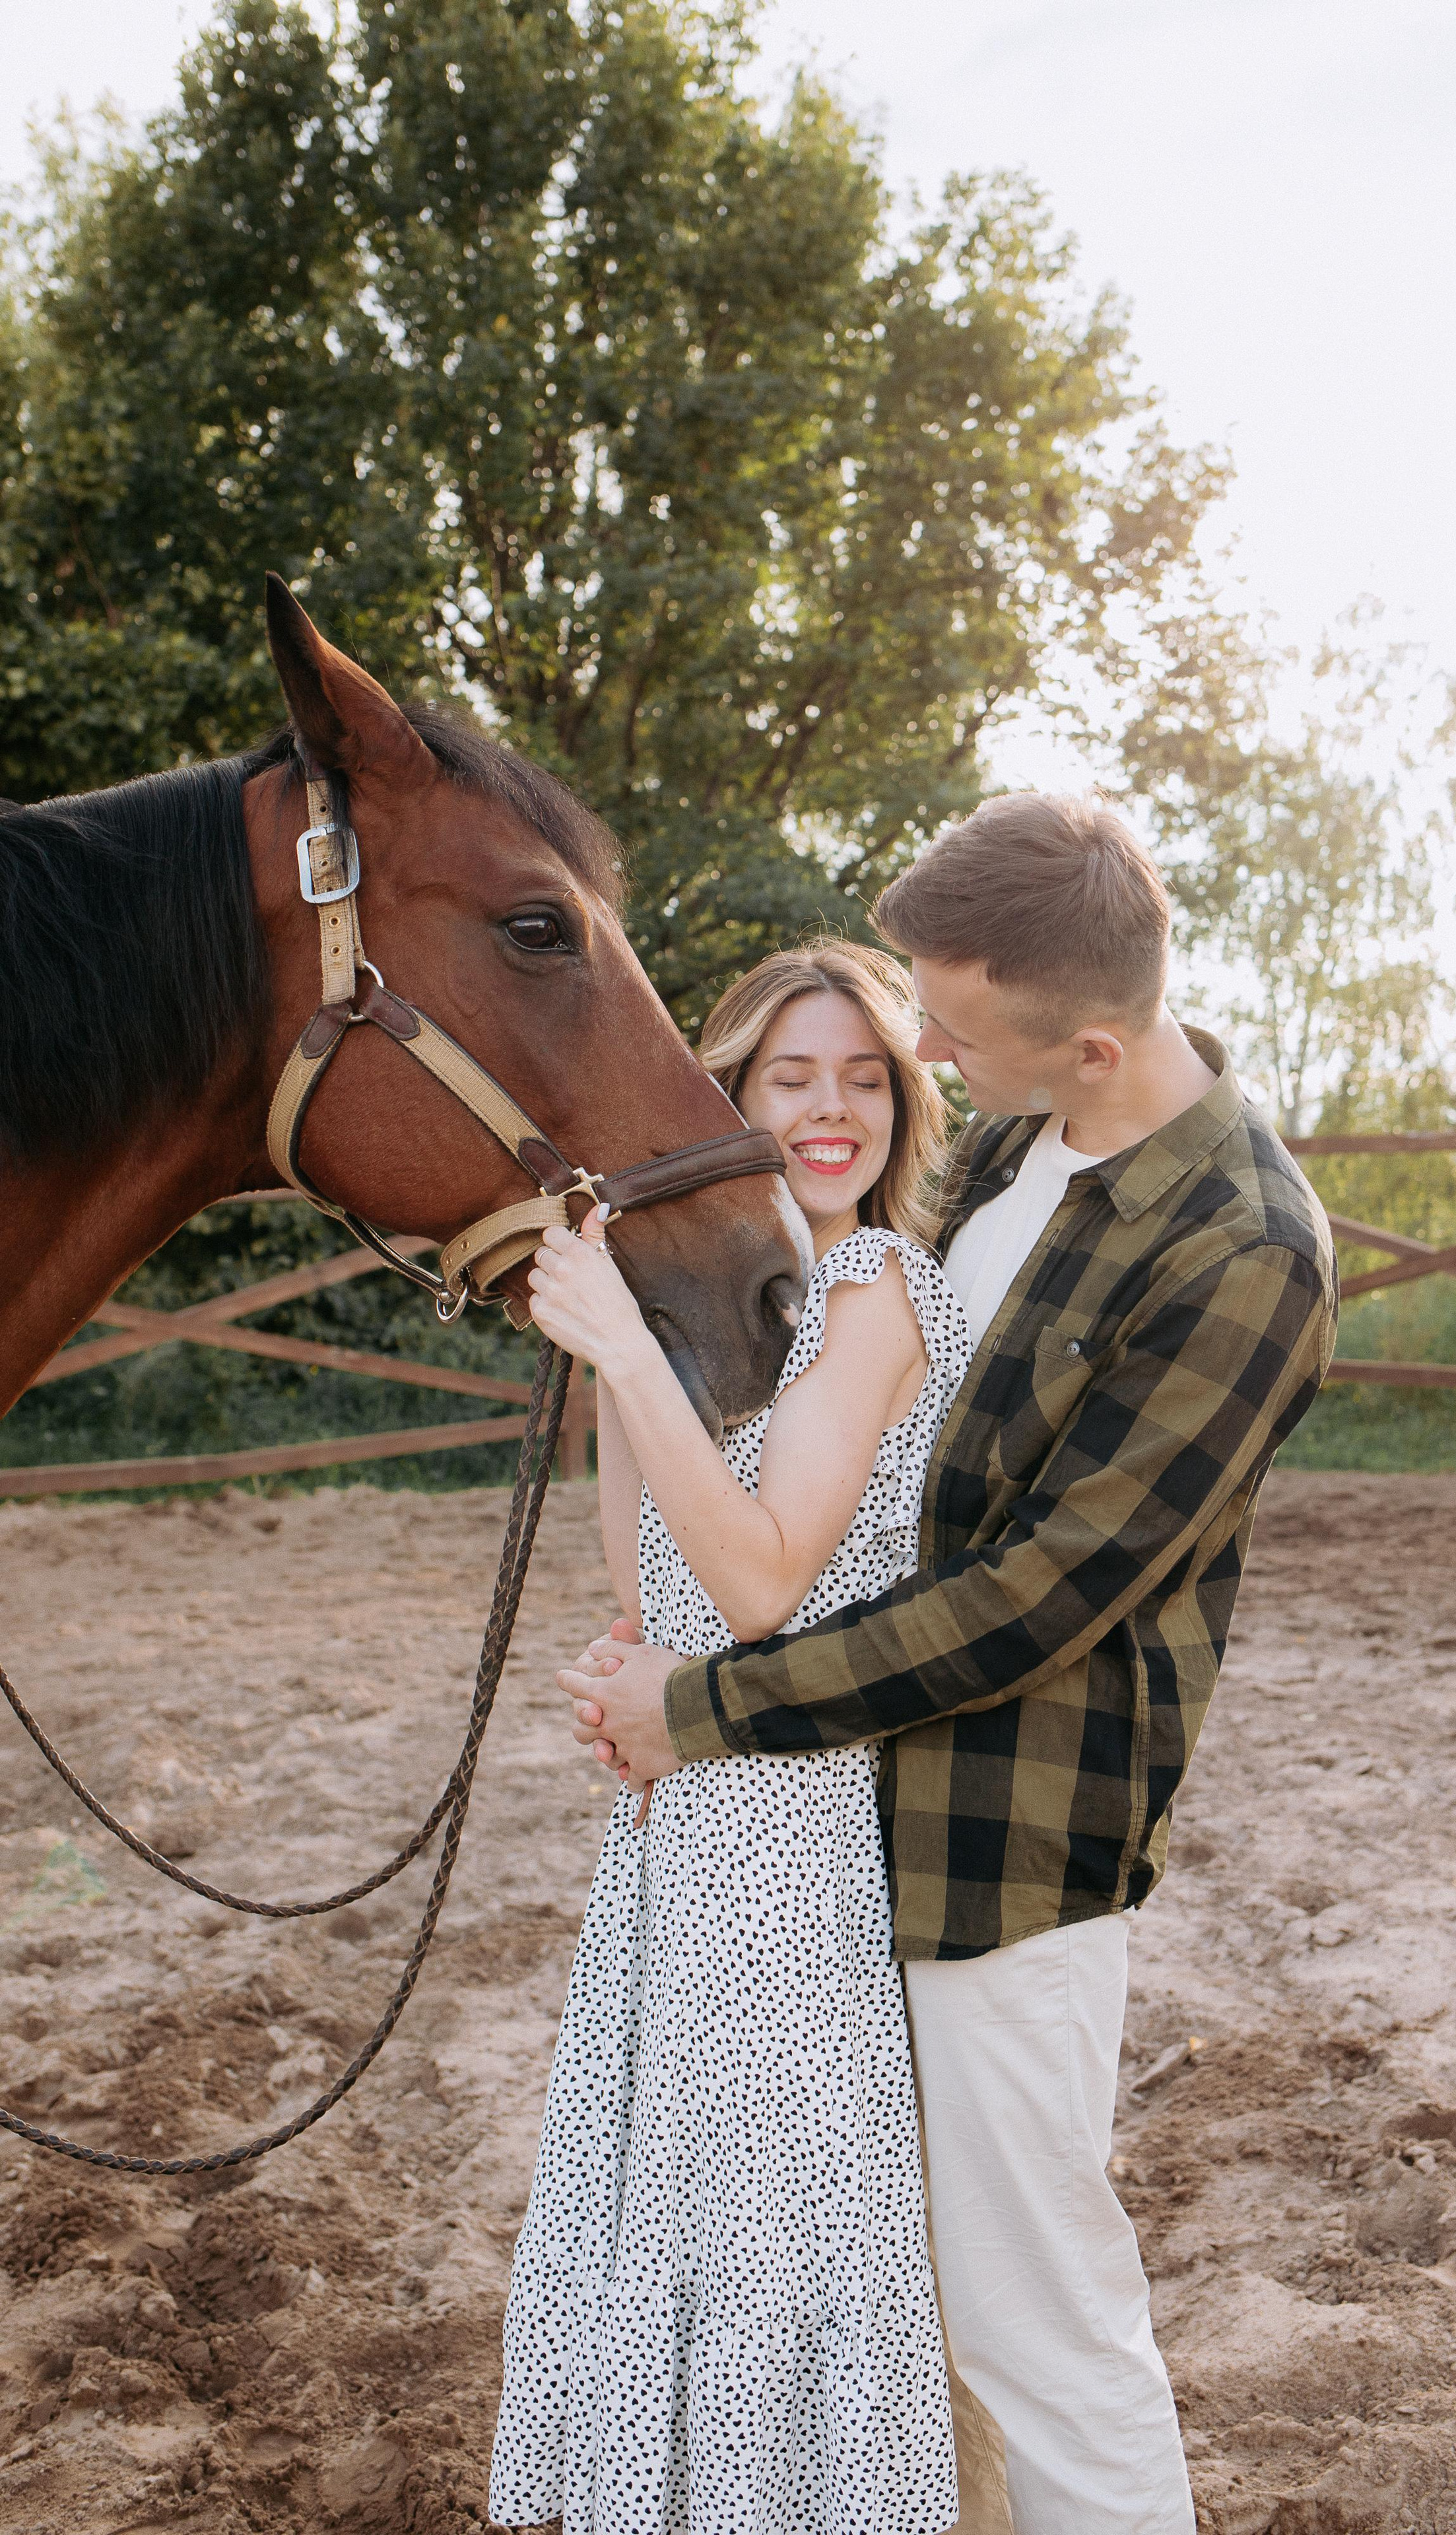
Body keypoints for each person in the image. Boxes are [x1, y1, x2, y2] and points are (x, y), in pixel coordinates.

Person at [562, 794, 1340, 2535]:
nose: (919, 1051)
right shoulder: (1012, 1148)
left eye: (949, 1028)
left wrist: (704, 1706)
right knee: (892, 2307)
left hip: (1006, 1856)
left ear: (1086, 1033)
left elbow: (1030, 1603)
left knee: (1032, 2322)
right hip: (839, 1825)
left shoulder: (1241, 1250)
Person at [488, 941, 973, 2535]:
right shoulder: (754, 1292)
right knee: (690, 2218)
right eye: (787, 1080)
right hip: (685, 1818)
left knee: (772, 2230)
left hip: (789, 1821)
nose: (829, 1113)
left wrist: (627, 1357)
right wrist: (628, 1343)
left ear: (904, 1102)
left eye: (860, 1079)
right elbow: (656, 1572)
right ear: (729, 1101)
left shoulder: (873, 1288)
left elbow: (763, 1585)